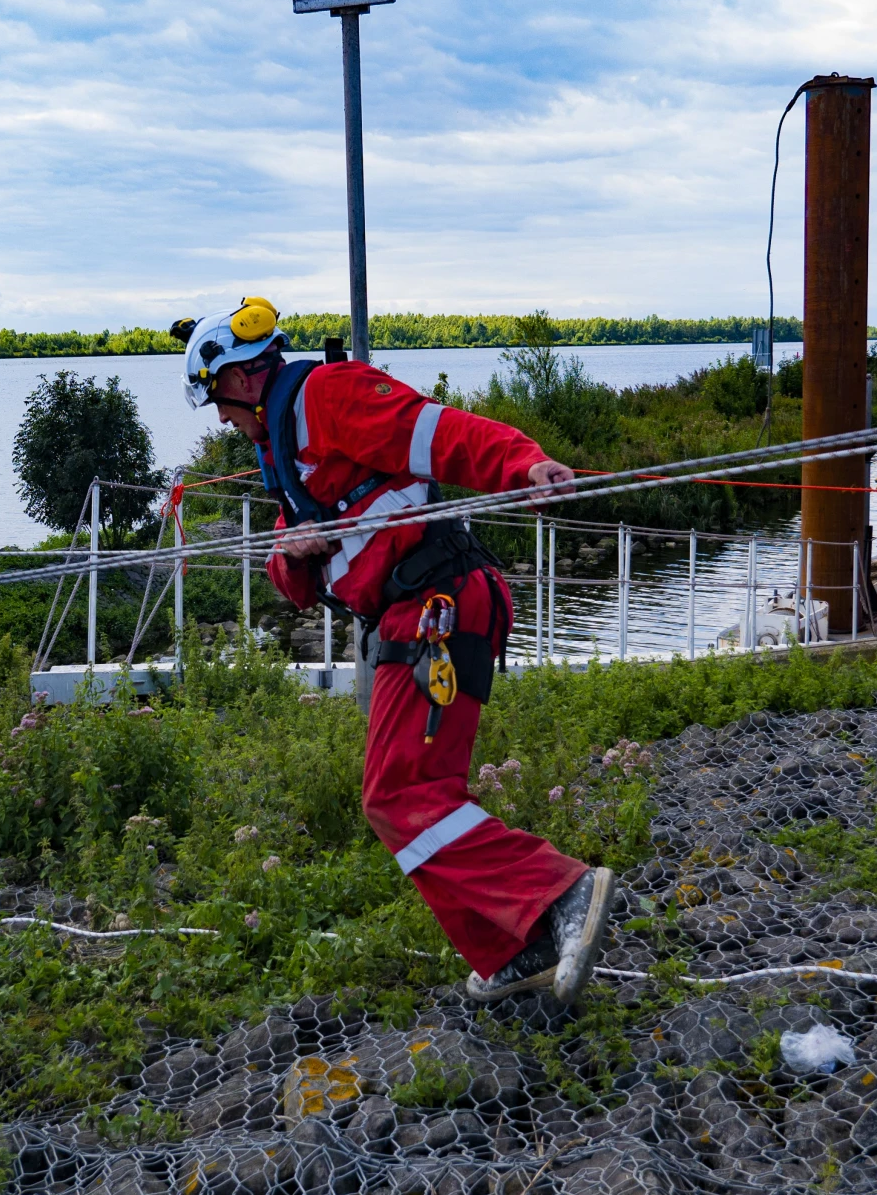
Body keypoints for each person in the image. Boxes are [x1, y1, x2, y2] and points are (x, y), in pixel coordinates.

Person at [174, 298, 617, 1004]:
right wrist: (293, 555)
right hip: (411, 614)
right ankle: (516, 947)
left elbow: (439, 433)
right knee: (392, 800)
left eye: (218, 402)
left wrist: (524, 465)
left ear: (241, 378)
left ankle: (560, 893)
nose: (221, 420)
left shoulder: (328, 396)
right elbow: (293, 570)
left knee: (407, 794)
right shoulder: (287, 449)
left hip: (439, 603)